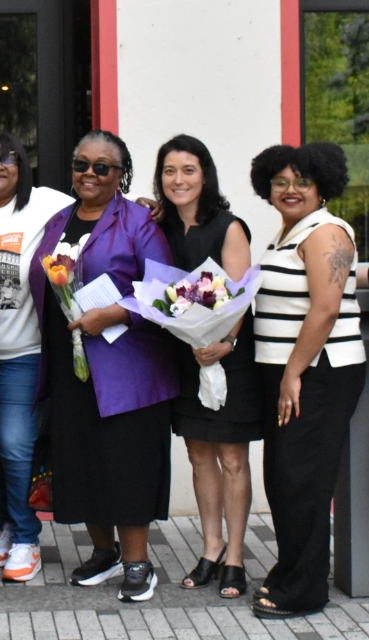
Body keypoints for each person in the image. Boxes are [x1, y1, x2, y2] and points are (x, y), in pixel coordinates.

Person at [28, 130, 178, 603]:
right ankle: (103, 551)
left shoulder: (139, 222)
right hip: (73, 366)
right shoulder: (57, 220)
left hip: (127, 369)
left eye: (101, 167)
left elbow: (164, 293)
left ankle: (138, 563)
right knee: (82, 460)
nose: (88, 174)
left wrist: (113, 314)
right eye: (80, 164)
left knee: (126, 464)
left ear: (120, 175)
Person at [249, 142, 365, 619]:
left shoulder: (326, 232)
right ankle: (292, 569)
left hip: (318, 374)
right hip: (290, 373)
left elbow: (326, 309)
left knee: (305, 479)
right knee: (283, 478)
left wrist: (293, 372)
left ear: (323, 187)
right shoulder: (288, 232)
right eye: (280, 182)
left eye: (302, 182)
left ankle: (306, 590)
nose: (290, 190)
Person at [0, 131, 74, 582]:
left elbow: (97, 209)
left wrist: (143, 205)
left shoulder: (44, 204)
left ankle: (26, 536)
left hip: (24, 352)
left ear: (23, 166)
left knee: (13, 444)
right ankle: (5, 526)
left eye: (8, 159)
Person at [152, 134, 262, 598]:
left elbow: (240, 294)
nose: (179, 180)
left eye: (188, 170)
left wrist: (226, 342)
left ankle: (236, 556)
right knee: (199, 456)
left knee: (232, 458)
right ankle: (211, 547)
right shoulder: (162, 227)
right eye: (170, 171)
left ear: (205, 175)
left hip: (229, 356)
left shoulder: (228, 226)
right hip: (186, 353)